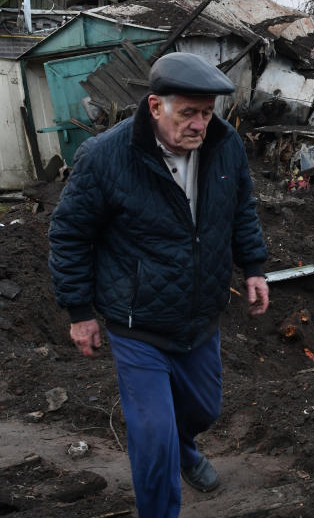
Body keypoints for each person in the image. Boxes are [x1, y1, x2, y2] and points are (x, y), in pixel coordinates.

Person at [49, 52, 269, 518]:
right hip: (137, 323)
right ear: (154, 107)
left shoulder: (225, 146)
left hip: (201, 316)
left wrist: (253, 266)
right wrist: (80, 312)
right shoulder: (106, 157)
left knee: (204, 411)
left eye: (207, 113)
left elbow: (241, 208)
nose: (199, 125)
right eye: (188, 113)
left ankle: (185, 448)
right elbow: (69, 235)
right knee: (153, 440)